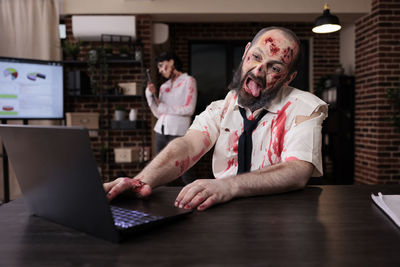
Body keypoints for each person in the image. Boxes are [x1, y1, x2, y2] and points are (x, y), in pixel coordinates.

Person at [104, 27, 328, 211]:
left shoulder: (305, 108)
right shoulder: (223, 107)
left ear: (289, 78)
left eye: (275, 67)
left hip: (281, 220)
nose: (258, 71)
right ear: (245, 52)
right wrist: (139, 182)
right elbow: (188, 145)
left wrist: (228, 186)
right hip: (224, 217)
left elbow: (298, 170)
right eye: (256, 57)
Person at [145, 52, 197, 184]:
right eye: (159, 68)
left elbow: (189, 109)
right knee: (159, 170)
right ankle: (160, 202)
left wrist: (164, 107)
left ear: (172, 62)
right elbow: (159, 113)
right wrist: (150, 96)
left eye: (162, 65)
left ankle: (195, 198)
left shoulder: (188, 81)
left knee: (185, 169)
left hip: (179, 133)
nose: (160, 70)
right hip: (160, 132)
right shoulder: (164, 86)